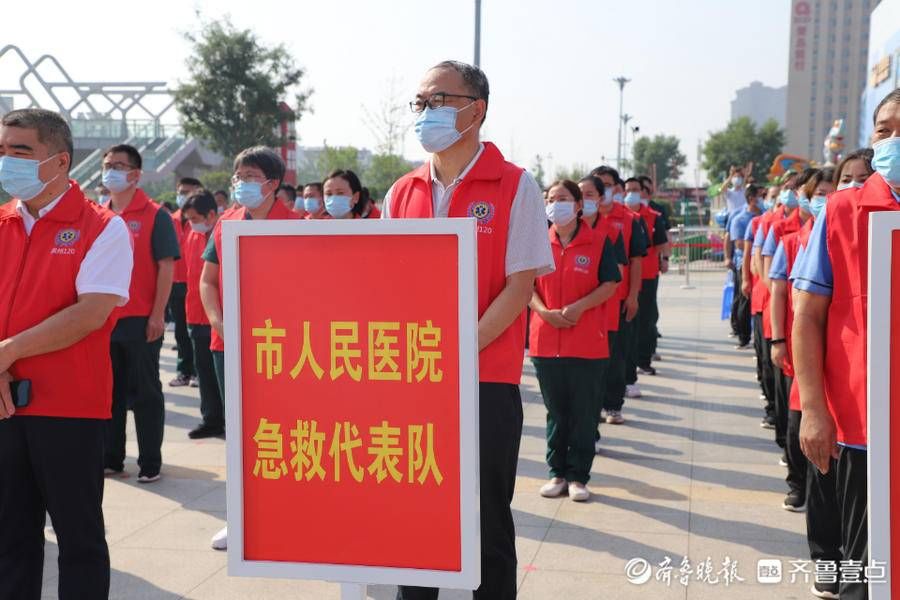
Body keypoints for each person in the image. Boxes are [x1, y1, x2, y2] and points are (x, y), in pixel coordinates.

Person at [383, 60, 553, 600]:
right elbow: (385, 285)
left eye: (437, 100)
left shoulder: (513, 185)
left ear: (475, 109)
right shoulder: (402, 192)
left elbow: (519, 285)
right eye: (420, 103)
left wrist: (457, 350)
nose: (425, 112)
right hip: (414, 382)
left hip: (484, 380)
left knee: (485, 520)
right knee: (415, 516)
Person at [0, 108, 133, 600]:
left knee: (78, 540)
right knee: (10, 538)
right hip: (6, 403)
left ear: (58, 163)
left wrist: (7, 351)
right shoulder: (2, 222)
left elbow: (89, 314)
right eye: (1, 149)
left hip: (70, 407)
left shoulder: (102, 227)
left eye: (20, 151)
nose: (6, 161)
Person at [793, 88, 900, 600]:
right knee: (868, 574)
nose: (893, 139)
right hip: (865, 429)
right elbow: (806, 316)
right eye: (884, 130)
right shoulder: (841, 212)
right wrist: (814, 410)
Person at [201, 146, 301, 551]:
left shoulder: (298, 226)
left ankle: (292, 515)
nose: (241, 183)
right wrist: (219, 322)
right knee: (240, 434)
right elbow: (208, 281)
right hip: (229, 345)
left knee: (285, 433)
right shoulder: (226, 223)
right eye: (238, 175)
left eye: (251, 176)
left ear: (273, 185)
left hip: (286, 350)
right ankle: (241, 519)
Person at [529, 180, 620, 502]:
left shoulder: (598, 242)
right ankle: (556, 473)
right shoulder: (536, 240)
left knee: (583, 413)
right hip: (545, 339)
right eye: (551, 199)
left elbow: (610, 283)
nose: (556, 204)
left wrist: (579, 307)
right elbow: (524, 285)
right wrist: (543, 311)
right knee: (556, 412)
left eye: (564, 198)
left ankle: (579, 475)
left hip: (586, 342)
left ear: (579, 205)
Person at [102, 144, 179, 484]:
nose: (111, 172)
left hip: (141, 318)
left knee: (145, 392)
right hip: (104, 319)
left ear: (135, 174)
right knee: (110, 393)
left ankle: (150, 461)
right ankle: (112, 457)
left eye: (118, 166)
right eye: (108, 165)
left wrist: (158, 314)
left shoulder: (154, 215)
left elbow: (166, 267)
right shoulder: (97, 214)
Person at [579, 173, 645, 428]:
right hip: (577, 311)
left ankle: (613, 404)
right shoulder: (563, 229)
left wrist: (632, 295)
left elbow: (632, 262)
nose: (586, 200)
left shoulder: (620, 226)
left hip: (611, 305)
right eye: (581, 195)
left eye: (593, 193)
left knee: (613, 358)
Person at [181, 189, 224, 439]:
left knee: (222, 375)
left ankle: (232, 418)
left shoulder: (224, 235)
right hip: (195, 313)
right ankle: (211, 419)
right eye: (189, 219)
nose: (192, 223)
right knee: (204, 372)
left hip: (218, 316)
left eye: (196, 218)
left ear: (211, 214)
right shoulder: (192, 235)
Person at [624, 178, 668, 378]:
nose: (631, 193)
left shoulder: (652, 216)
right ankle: (630, 363)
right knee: (630, 324)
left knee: (646, 319)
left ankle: (644, 358)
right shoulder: (622, 216)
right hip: (625, 279)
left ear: (643, 193)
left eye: (635, 190)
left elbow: (660, 243)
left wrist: (663, 259)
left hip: (648, 275)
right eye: (628, 190)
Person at [168, 176, 202, 388]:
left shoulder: (200, 222)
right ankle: (183, 371)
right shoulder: (170, 219)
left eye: (188, 192)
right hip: (175, 281)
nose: (184, 196)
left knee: (196, 332)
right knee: (181, 330)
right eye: (181, 192)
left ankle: (198, 372)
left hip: (196, 284)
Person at [724, 184, 761, 349]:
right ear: (752, 198)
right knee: (744, 300)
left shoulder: (766, 215)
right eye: (761, 195)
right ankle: (743, 335)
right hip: (744, 264)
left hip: (760, 263)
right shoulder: (740, 218)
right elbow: (738, 243)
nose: (763, 199)